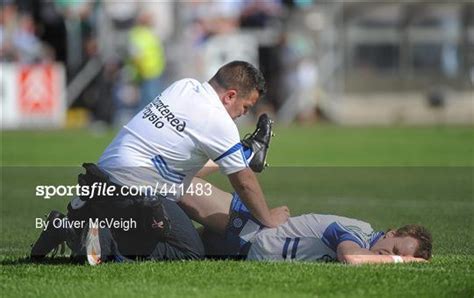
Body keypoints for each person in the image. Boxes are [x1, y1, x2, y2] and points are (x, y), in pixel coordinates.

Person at [31, 61, 289, 264]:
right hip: (131, 192)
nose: (243, 115)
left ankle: (70, 225)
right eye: (245, 107)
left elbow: (180, 167)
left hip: (100, 179)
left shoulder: (184, 86)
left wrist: (241, 155)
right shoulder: (218, 122)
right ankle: (98, 243)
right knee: (189, 250)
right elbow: (244, 182)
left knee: (180, 197)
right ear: (230, 96)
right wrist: (268, 218)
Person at [191, 183, 432, 264]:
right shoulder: (357, 234)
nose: (389, 254)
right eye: (396, 248)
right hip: (246, 227)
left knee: (165, 242)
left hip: (239, 249)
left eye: (398, 255)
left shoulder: (365, 239)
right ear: (391, 233)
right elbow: (352, 259)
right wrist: (402, 260)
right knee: (173, 182)